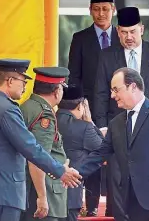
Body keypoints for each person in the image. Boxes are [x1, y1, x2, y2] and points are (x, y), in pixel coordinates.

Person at [0, 59, 82, 221]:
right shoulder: (7, 109)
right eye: (23, 81)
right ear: (10, 81)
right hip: (6, 191)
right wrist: (60, 171)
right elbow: (31, 147)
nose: (24, 87)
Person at [94, 7, 149, 220]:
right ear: (117, 32)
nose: (128, 37)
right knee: (120, 177)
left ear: (142, 29)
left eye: (132, 31)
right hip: (120, 127)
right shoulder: (107, 56)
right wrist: (103, 126)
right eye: (123, 32)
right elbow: (101, 93)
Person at [78, 67, 149, 221]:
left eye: (116, 89)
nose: (112, 95)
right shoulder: (116, 123)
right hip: (129, 203)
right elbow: (100, 154)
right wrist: (75, 172)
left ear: (132, 86)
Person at [68, 0, 119, 216]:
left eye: (105, 9)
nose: (101, 13)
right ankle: (90, 206)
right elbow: (74, 76)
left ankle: (115, 205)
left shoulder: (123, 36)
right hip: (89, 108)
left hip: (119, 105)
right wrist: (77, 107)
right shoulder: (80, 39)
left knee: (118, 153)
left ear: (113, 10)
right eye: (96, 9)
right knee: (93, 152)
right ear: (90, 11)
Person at [20, 67, 70, 221]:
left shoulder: (27, 106)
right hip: (45, 191)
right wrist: (42, 197)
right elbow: (38, 157)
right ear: (57, 90)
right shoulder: (44, 113)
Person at [56, 84, 104, 221]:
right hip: (70, 194)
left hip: (48, 192)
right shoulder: (84, 127)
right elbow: (103, 148)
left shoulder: (50, 119)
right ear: (80, 106)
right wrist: (90, 121)